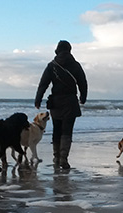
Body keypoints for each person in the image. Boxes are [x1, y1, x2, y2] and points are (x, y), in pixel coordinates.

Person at [34, 40, 88, 169]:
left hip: (56, 103)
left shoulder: (51, 65)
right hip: (70, 102)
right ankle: (64, 159)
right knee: (67, 131)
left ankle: (56, 157)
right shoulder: (76, 65)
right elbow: (83, 82)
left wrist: (38, 100)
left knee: (57, 130)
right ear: (69, 50)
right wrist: (83, 97)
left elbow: (43, 84)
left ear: (57, 50)